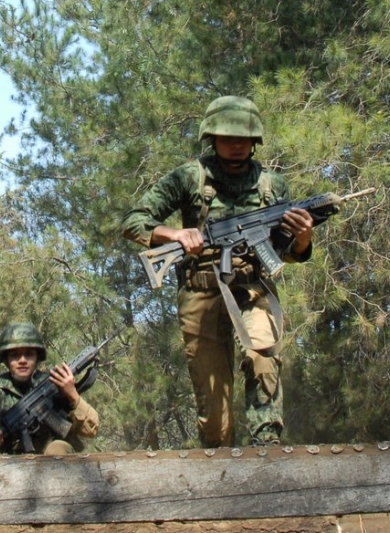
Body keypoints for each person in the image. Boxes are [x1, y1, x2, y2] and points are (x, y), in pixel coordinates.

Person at [120, 96, 314, 448]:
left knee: (263, 359)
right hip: (201, 292)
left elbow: (287, 252)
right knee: (214, 412)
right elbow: (134, 221)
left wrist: (302, 238)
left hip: (253, 289)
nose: (237, 145)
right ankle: (222, 479)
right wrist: (175, 234)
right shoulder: (188, 177)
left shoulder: (273, 186)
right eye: (228, 138)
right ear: (212, 138)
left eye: (244, 139)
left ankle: (267, 452)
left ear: (255, 141)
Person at [0, 322, 99, 455]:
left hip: (58, 466)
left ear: (37, 358)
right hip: (13, 466)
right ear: (6, 360)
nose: (22, 360)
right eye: (15, 355)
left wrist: (72, 395)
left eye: (29, 354)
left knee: (56, 449)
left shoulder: (55, 383)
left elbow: (91, 430)